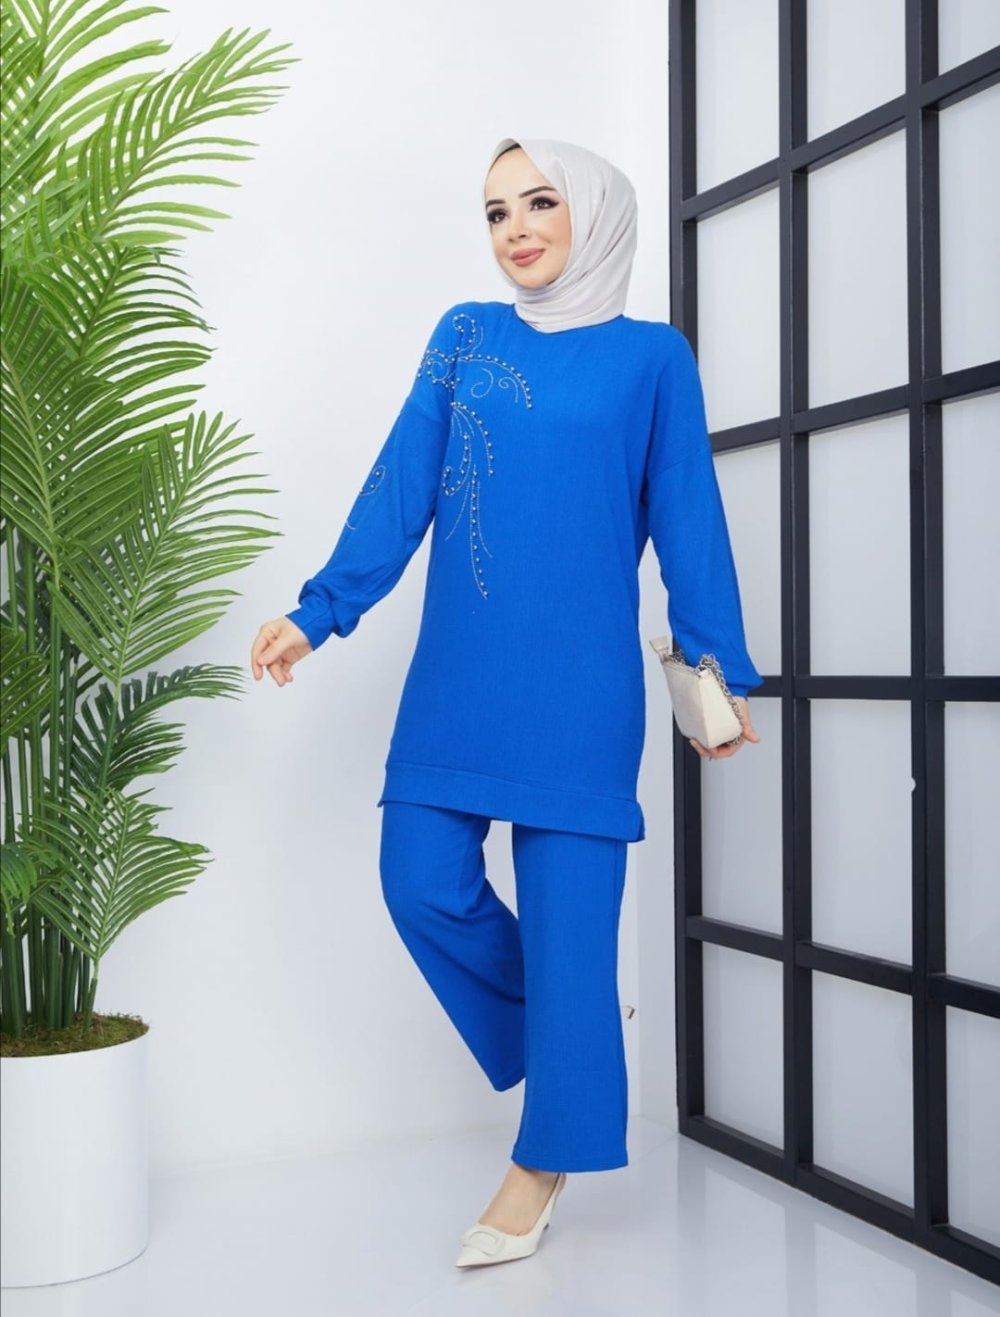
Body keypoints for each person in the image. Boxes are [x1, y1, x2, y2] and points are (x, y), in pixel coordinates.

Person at [250, 136, 764, 1267]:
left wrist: (715, 671)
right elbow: (400, 485)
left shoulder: (651, 359)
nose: (515, 229)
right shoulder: (466, 336)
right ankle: (573, 1041)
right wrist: (319, 610)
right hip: (459, 681)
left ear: (592, 213)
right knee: (418, 881)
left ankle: (541, 1163)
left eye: (538, 203)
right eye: (495, 212)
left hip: (581, 693)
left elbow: (689, 515)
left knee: (572, 927)